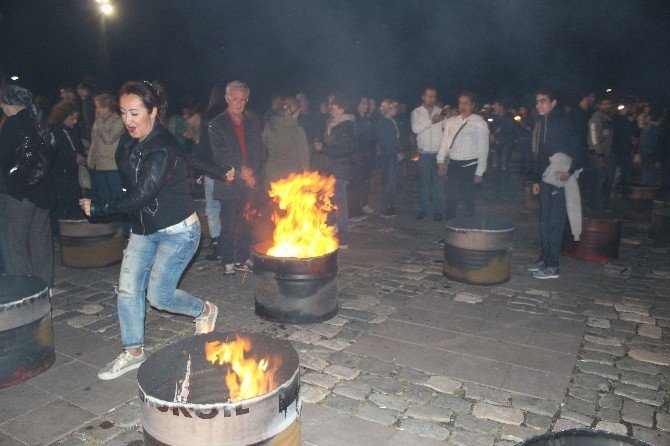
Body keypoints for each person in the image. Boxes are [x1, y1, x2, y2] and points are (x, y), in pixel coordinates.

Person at [78, 80, 226, 380]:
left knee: (159, 297)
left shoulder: (163, 147)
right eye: (123, 113)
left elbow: (142, 194)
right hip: (143, 230)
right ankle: (133, 351)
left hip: (178, 233)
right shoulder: (130, 140)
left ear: (153, 111)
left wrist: (98, 208)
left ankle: (204, 310)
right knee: (128, 289)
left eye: (134, 113)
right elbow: (189, 158)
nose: (128, 120)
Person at [206, 80, 267, 274]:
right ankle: (228, 260)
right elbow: (220, 155)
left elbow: (259, 150)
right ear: (227, 99)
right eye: (235, 99)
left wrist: (253, 172)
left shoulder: (250, 122)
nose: (239, 103)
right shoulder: (216, 124)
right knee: (229, 223)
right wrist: (242, 170)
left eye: (243, 100)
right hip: (230, 182)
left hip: (248, 182)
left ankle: (243, 258)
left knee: (246, 222)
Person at [0, 85, 55, 286]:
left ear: (10, 104)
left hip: (18, 193)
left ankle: (23, 288)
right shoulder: (39, 119)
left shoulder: (14, 123)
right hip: (43, 191)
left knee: (14, 243)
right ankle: (44, 287)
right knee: (40, 241)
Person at [528, 88, 583, 279]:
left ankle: (553, 265)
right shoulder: (543, 122)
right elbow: (541, 155)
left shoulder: (562, 121)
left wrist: (571, 170)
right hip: (546, 177)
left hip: (559, 178)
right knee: (545, 220)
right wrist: (535, 179)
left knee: (555, 222)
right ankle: (545, 258)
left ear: (553, 103)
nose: (539, 105)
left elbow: (578, 147)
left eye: (543, 101)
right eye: (537, 101)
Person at [437, 91, 489, 220]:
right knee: (450, 199)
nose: (463, 106)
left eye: (466, 103)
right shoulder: (451, 122)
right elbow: (445, 142)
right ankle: (450, 231)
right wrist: (440, 160)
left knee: (468, 200)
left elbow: (483, 149)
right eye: (460, 103)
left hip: (470, 166)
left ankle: (469, 231)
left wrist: (480, 172)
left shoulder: (479, 123)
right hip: (454, 165)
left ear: (472, 105)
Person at [314, 94, 356, 247]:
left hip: (341, 168)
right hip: (330, 168)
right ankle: (333, 230)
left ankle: (343, 237)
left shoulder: (347, 125)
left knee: (340, 202)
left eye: (333, 108)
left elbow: (347, 148)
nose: (330, 110)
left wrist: (324, 148)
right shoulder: (332, 123)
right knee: (329, 200)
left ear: (341, 109)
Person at [48, 101, 87, 229]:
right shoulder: (53, 131)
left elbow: (77, 146)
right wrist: (73, 156)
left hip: (72, 173)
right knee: (61, 204)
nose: (75, 121)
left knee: (74, 202)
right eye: (72, 118)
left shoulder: (74, 129)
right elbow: (55, 153)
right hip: (60, 174)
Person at [411, 87, 445, 221]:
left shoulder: (441, 112)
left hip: (438, 154)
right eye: (429, 96)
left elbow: (446, 131)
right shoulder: (416, 112)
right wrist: (431, 121)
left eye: (434, 96)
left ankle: (438, 211)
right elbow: (415, 129)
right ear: (423, 97)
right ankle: (423, 210)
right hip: (424, 153)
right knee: (424, 183)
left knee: (439, 184)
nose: (431, 98)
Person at [262, 96, 310, 186]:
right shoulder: (298, 131)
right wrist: (307, 179)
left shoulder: (269, 125)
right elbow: (303, 158)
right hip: (292, 178)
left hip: (272, 175)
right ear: (295, 112)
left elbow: (265, 146)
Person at [88, 93, 126, 202]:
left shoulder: (118, 121)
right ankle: (105, 219)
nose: (96, 110)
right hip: (98, 166)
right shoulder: (97, 122)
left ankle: (117, 219)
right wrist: (90, 160)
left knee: (115, 198)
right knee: (102, 198)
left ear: (107, 108)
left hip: (112, 167)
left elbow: (109, 139)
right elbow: (94, 142)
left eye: (98, 107)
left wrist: (99, 122)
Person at [376, 99, 403, 217]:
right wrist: (396, 151)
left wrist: (399, 150)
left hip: (392, 155)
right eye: (394, 107)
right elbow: (386, 141)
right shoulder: (383, 122)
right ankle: (384, 207)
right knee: (388, 181)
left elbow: (396, 138)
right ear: (387, 109)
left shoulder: (391, 121)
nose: (396, 110)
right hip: (388, 155)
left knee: (392, 182)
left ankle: (390, 205)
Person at [588, 95, 614, 209]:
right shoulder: (596, 119)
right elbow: (594, 138)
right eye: (604, 104)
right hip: (597, 156)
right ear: (599, 106)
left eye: (609, 103)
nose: (607, 106)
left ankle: (601, 206)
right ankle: (592, 207)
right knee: (597, 182)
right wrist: (600, 154)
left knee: (605, 181)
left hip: (606, 155)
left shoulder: (607, 119)